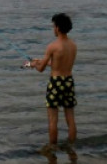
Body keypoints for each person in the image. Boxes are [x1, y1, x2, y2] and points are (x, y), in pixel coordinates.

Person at [30, 12, 78, 150]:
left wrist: (34, 64)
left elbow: (41, 69)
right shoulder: (73, 46)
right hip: (69, 81)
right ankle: (72, 148)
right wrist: (41, 61)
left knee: (53, 120)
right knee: (70, 118)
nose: (53, 29)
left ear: (57, 28)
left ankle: (52, 149)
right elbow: (60, 63)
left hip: (56, 83)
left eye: (53, 26)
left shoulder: (52, 46)